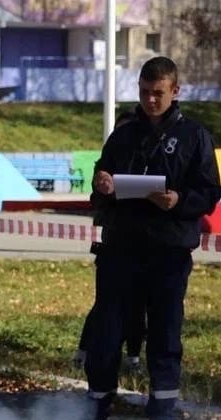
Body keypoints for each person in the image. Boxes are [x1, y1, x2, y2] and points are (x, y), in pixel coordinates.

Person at [77, 56, 221, 420]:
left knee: (164, 332)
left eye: (158, 93)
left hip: (168, 251)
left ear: (175, 92)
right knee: (107, 331)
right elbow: (99, 180)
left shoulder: (195, 137)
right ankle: (95, 410)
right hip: (120, 249)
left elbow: (210, 194)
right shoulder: (123, 135)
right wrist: (104, 185)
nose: (150, 100)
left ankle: (160, 418)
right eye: (144, 92)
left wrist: (178, 200)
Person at [75, 109, 145, 372]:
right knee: (105, 303)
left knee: (139, 305)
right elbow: (97, 199)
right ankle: (86, 354)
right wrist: (106, 191)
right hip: (113, 242)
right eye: (121, 129)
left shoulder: (144, 158)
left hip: (145, 243)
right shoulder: (108, 160)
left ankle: (134, 357)